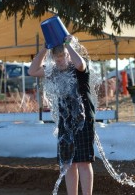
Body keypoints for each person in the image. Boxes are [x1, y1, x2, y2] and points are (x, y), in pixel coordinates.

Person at [28, 35, 95, 195]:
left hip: (83, 118)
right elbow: (32, 71)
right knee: (68, 163)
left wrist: (68, 45)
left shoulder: (78, 68)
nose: (60, 62)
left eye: (62, 57)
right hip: (66, 120)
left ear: (67, 55)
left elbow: (80, 63)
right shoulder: (54, 72)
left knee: (83, 162)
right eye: (56, 59)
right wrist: (45, 48)